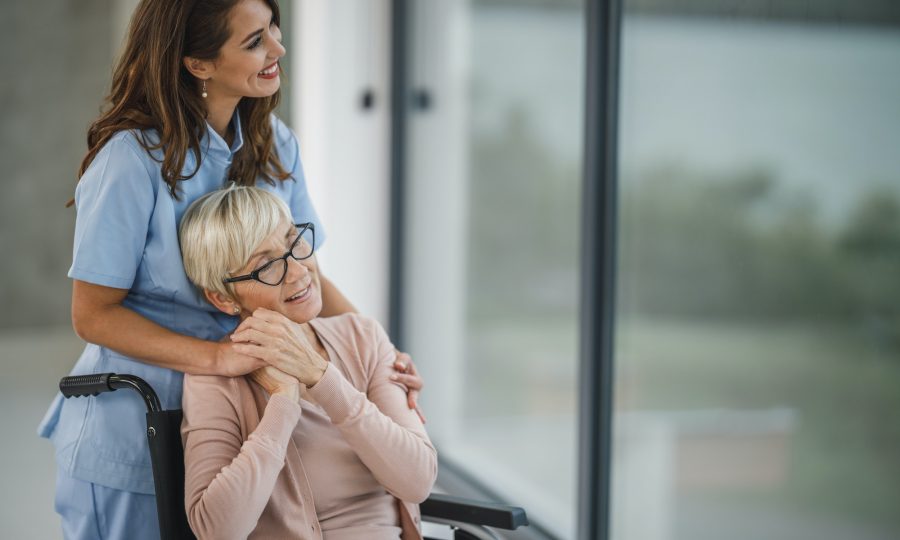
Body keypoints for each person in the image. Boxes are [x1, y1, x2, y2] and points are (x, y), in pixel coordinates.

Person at [38, 1, 423, 538]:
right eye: (254, 42)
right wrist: (219, 359)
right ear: (198, 63)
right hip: (140, 420)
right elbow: (94, 315)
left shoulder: (274, 146)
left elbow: (306, 274)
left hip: (247, 419)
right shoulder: (129, 162)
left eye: (274, 30)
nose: (278, 50)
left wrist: (381, 356)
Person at [178, 185, 437, 539]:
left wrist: (321, 378)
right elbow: (217, 529)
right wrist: (283, 402)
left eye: (294, 242)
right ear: (223, 298)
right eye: (268, 265)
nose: (299, 271)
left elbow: (418, 479)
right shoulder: (214, 381)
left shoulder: (362, 336)